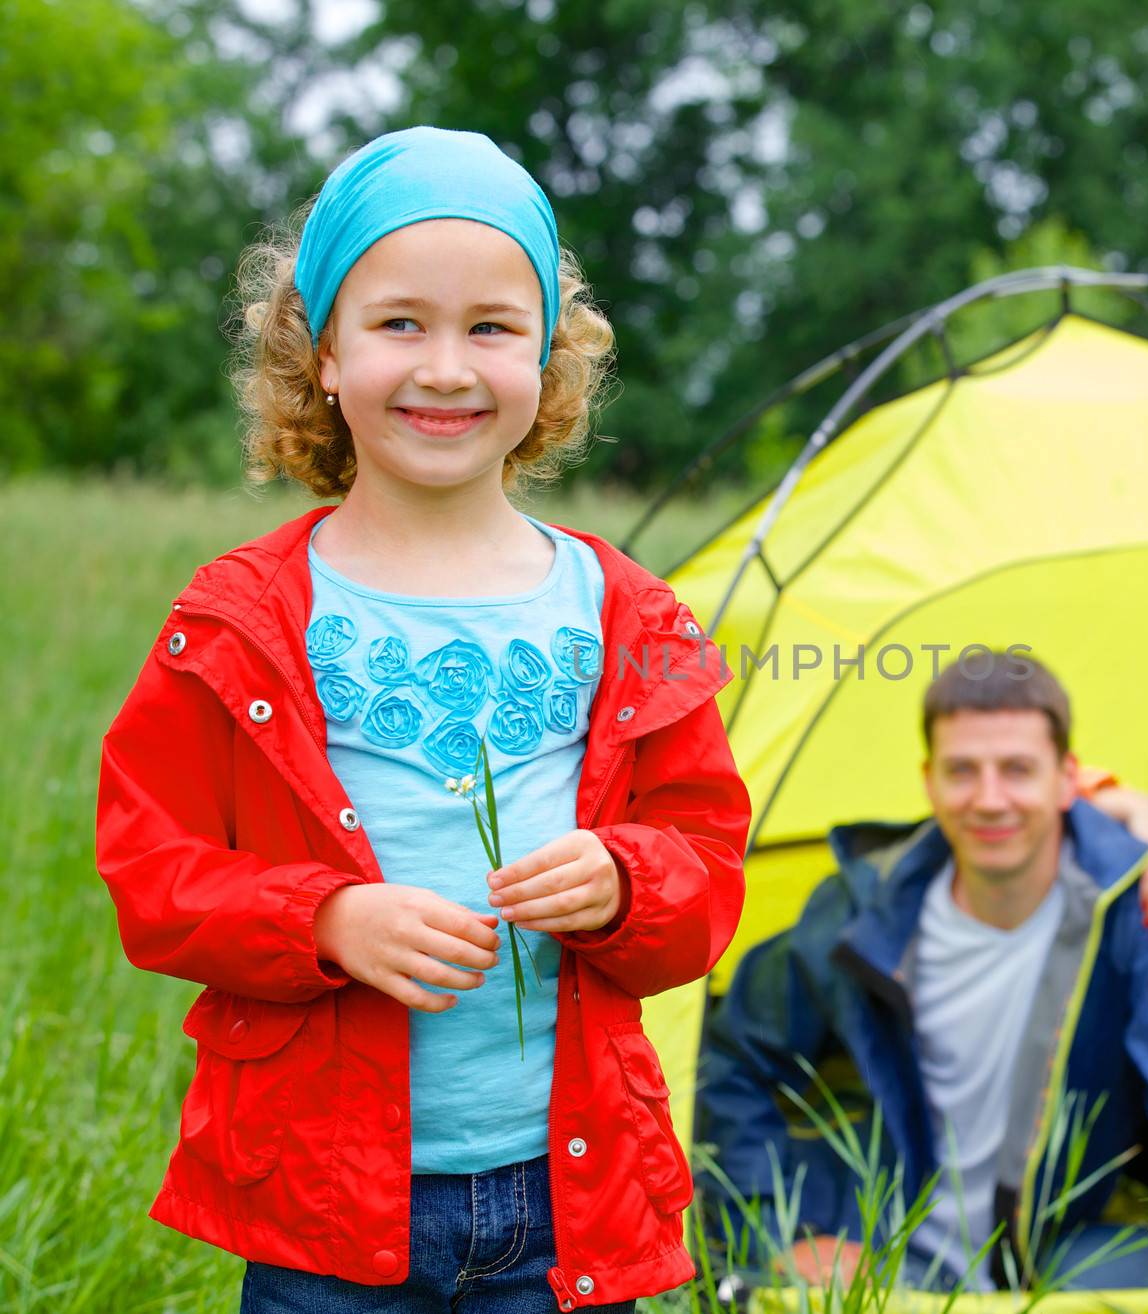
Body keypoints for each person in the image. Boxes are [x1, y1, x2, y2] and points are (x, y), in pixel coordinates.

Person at [96, 127, 750, 1314]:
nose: (445, 367)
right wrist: (324, 918)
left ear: (547, 360)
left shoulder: (625, 612)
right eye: (400, 323)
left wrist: (624, 880)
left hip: (567, 1200)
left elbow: (706, 863)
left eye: (491, 327)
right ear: (323, 355)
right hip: (324, 1206)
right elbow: (154, 870)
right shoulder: (243, 617)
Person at [698, 652, 1148, 1293]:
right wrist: (783, 1233)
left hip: (1055, 1256)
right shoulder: (863, 913)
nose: (990, 800)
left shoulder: (1139, 911)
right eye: (962, 772)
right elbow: (729, 1057)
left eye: (1018, 771)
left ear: (1068, 780)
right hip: (883, 1256)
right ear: (929, 780)